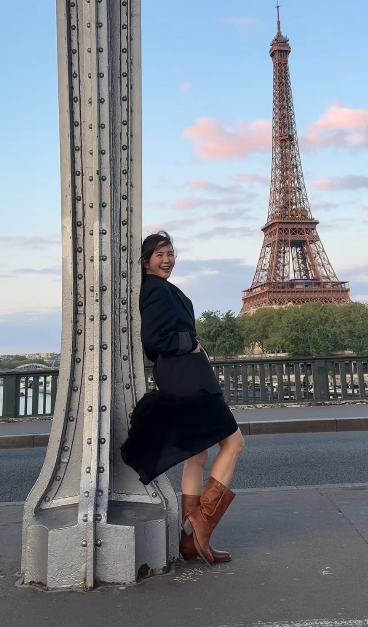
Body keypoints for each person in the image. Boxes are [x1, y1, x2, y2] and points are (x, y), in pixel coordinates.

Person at [121, 230, 245, 566]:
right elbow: (153, 341)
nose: (167, 260)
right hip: (189, 381)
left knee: (198, 454)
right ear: (145, 261)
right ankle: (201, 522)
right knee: (234, 443)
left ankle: (190, 542)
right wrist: (189, 343)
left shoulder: (160, 288)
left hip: (183, 378)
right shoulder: (155, 289)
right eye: (159, 255)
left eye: (170, 253)